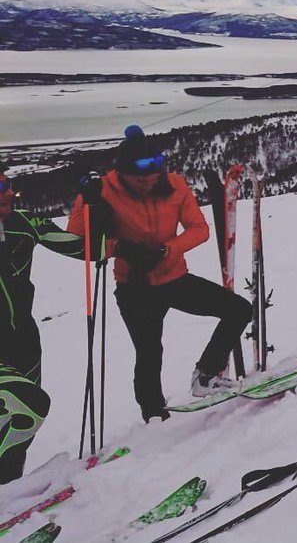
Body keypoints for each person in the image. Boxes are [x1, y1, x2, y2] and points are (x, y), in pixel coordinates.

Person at [66, 126, 253, 422]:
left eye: (153, 175)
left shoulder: (175, 185)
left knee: (238, 309)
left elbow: (199, 229)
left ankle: (206, 374)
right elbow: (80, 243)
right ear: (122, 173)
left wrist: (168, 249)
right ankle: (153, 414)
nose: (148, 182)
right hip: (134, 286)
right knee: (150, 352)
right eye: (139, 178)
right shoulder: (102, 190)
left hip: (174, 277)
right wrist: (115, 242)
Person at [0, 161, 109, 483]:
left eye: (6, 186)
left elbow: (88, 250)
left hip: (24, 341)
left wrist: (92, 205)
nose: (6, 194)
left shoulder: (25, 223)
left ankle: (8, 493)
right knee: (31, 407)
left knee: (17, 427)